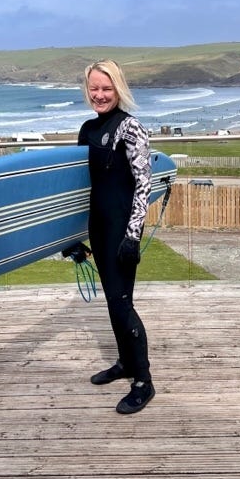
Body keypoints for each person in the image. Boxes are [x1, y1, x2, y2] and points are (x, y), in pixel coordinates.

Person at [78, 59, 155, 414]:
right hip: (98, 226)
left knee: (122, 304)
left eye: (106, 88)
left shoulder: (131, 128)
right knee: (112, 302)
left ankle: (143, 381)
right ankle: (124, 362)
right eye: (94, 88)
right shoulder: (87, 130)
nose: (100, 95)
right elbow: (78, 189)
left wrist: (133, 236)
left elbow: (143, 184)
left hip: (122, 229)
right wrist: (71, 238)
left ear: (118, 90)